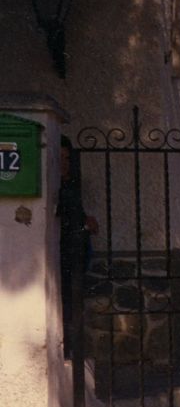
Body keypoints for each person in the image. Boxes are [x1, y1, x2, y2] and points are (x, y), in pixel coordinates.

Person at [57, 137, 97, 356]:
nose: (64, 163)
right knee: (63, 307)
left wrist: (86, 222)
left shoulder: (71, 186)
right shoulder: (54, 189)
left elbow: (75, 217)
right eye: (59, 158)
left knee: (72, 307)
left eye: (67, 158)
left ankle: (71, 354)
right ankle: (65, 354)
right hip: (60, 255)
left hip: (74, 256)